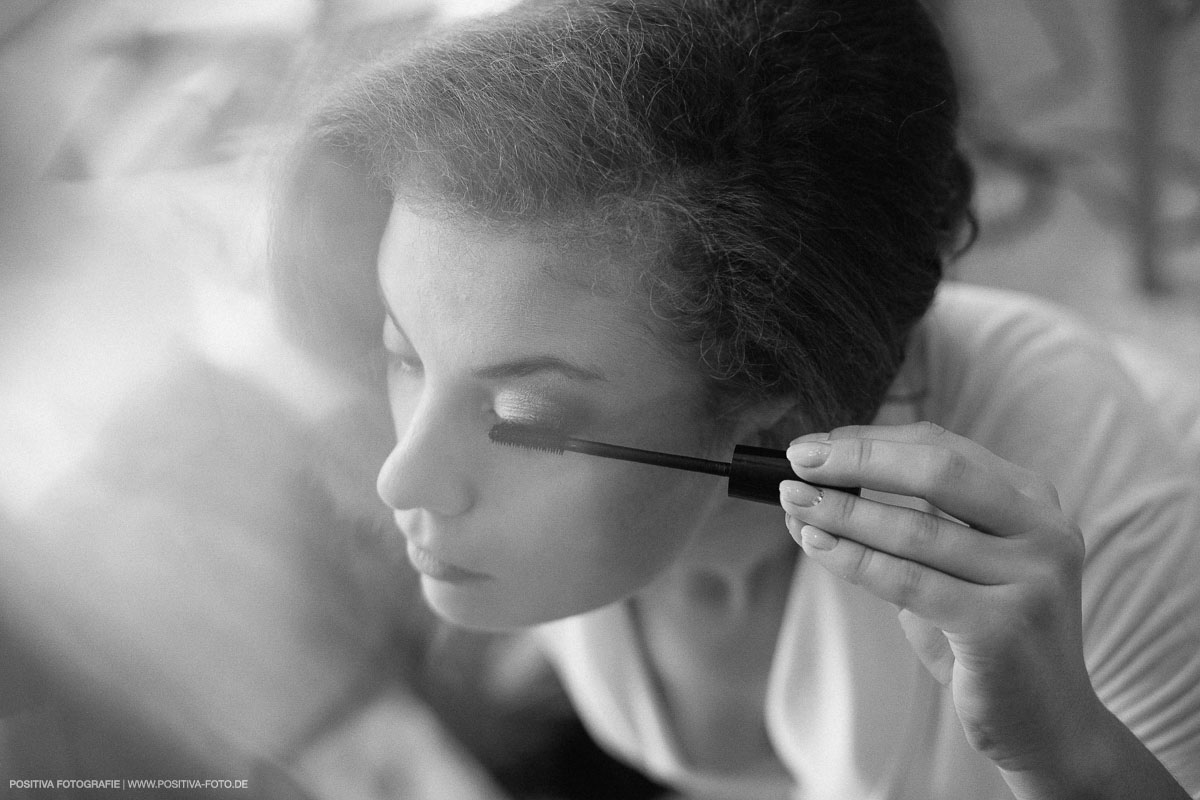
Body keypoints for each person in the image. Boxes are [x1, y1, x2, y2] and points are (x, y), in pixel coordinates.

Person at [270, 0, 1200, 797]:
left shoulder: (1092, 491)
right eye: (405, 354)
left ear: (767, 391)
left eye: (526, 422)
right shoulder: (588, 434)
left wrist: (1067, 754)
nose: (404, 480)